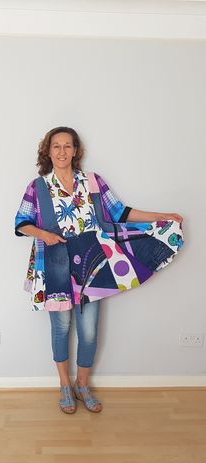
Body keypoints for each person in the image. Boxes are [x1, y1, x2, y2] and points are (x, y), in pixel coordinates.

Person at [15, 126, 183, 414]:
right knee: (61, 327)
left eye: (68, 146)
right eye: (56, 146)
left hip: (92, 263)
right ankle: (64, 386)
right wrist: (43, 235)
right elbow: (21, 222)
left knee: (89, 331)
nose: (62, 151)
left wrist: (162, 216)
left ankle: (82, 385)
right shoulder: (38, 186)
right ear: (48, 150)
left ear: (76, 151)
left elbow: (121, 213)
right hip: (54, 262)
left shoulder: (92, 182)